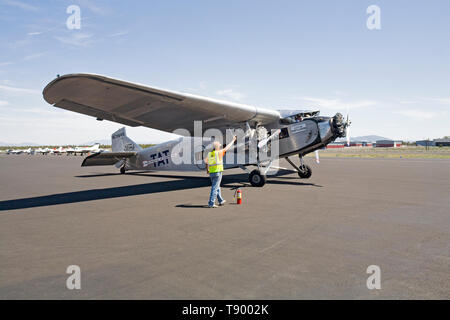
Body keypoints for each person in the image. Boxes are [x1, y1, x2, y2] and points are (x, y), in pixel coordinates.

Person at [204, 136, 237, 208]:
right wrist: (233, 140)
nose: (220, 146)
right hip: (218, 172)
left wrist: (207, 170)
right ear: (217, 147)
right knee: (215, 188)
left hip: (211, 173)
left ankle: (220, 200)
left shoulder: (210, 154)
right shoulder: (219, 152)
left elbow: (206, 162)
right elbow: (227, 147)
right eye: (219, 145)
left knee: (217, 186)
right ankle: (211, 203)